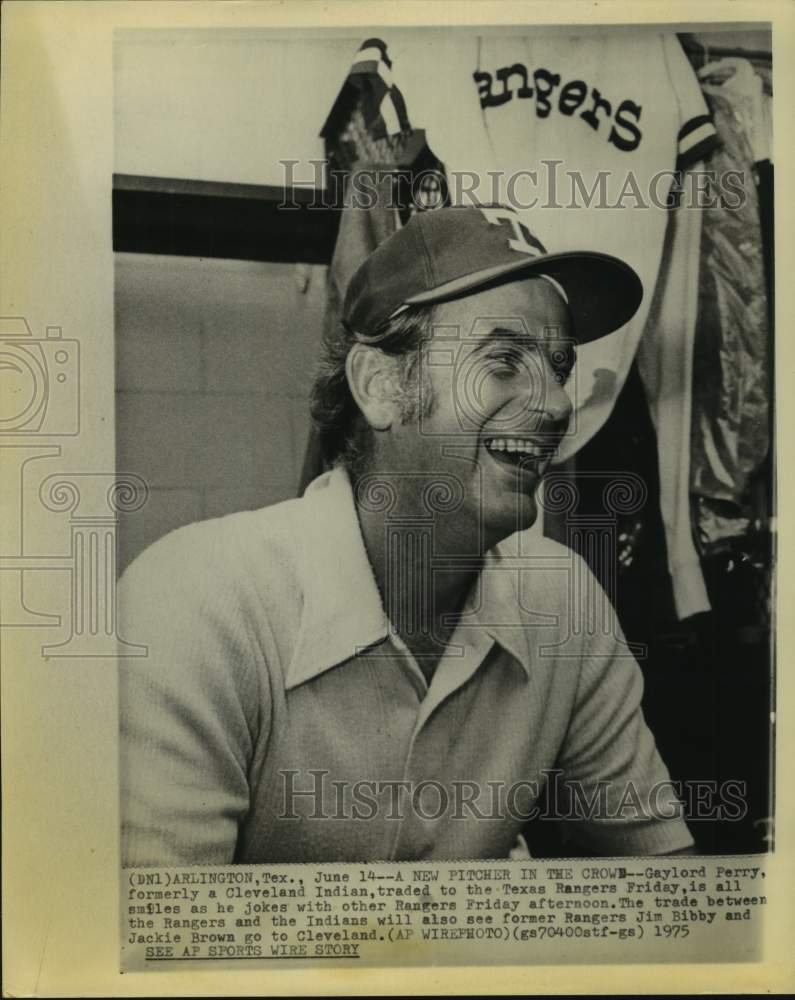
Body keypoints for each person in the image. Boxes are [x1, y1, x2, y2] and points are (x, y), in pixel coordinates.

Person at [119, 204, 695, 865]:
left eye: (559, 367)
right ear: (381, 386)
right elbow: (162, 948)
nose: (558, 405)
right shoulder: (194, 604)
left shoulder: (561, 601)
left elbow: (665, 887)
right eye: (504, 358)